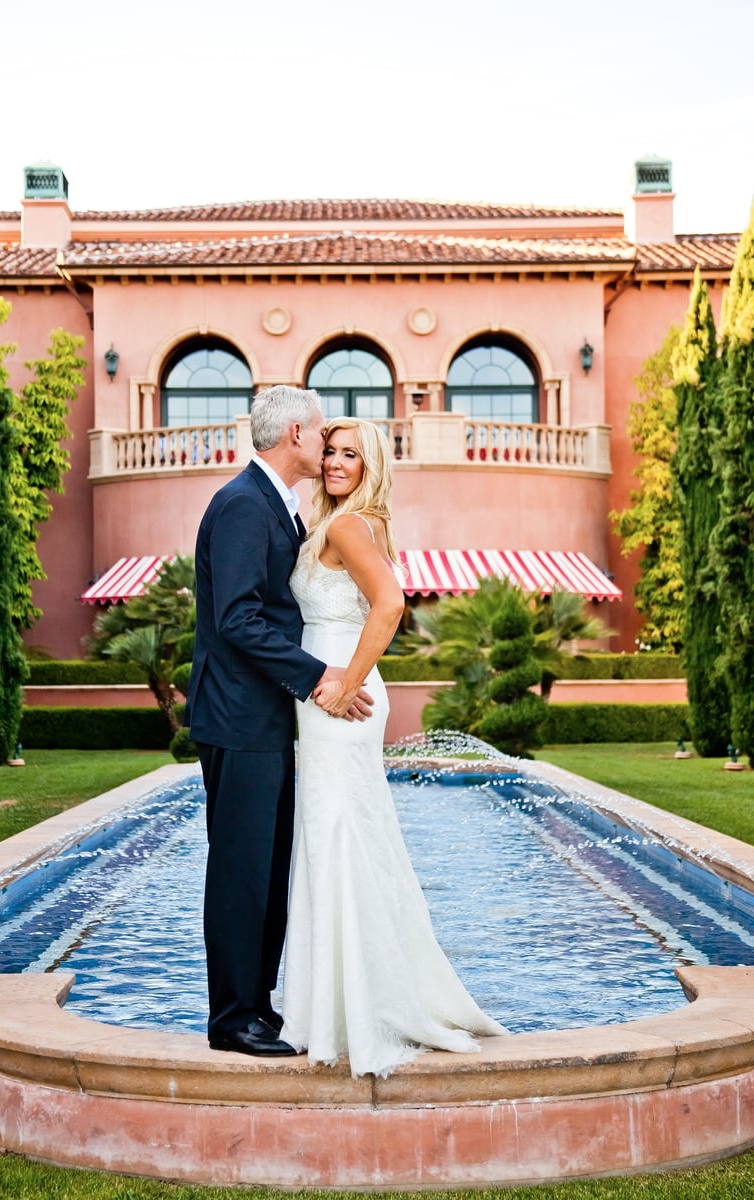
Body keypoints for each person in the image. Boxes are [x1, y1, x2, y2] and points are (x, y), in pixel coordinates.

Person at [280, 417, 507, 1077]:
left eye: (350, 454)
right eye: (329, 451)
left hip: (337, 695)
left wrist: (345, 682)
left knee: (335, 837)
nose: (334, 462)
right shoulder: (353, 522)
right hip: (328, 689)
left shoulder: (350, 526)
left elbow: (390, 605)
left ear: (371, 464)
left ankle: (343, 1013)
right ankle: (342, 1004)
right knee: (341, 836)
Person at [184, 386, 371, 1057]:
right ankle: (233, 1018)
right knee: (241, 869)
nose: (325, 446)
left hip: (266, 717)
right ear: (295, 433)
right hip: (238, 716)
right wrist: (318, 675)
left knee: (266, 866)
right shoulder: (243, 504)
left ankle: (257, 1005)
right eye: (320, 434)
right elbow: (237, 619)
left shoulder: (278, 505)